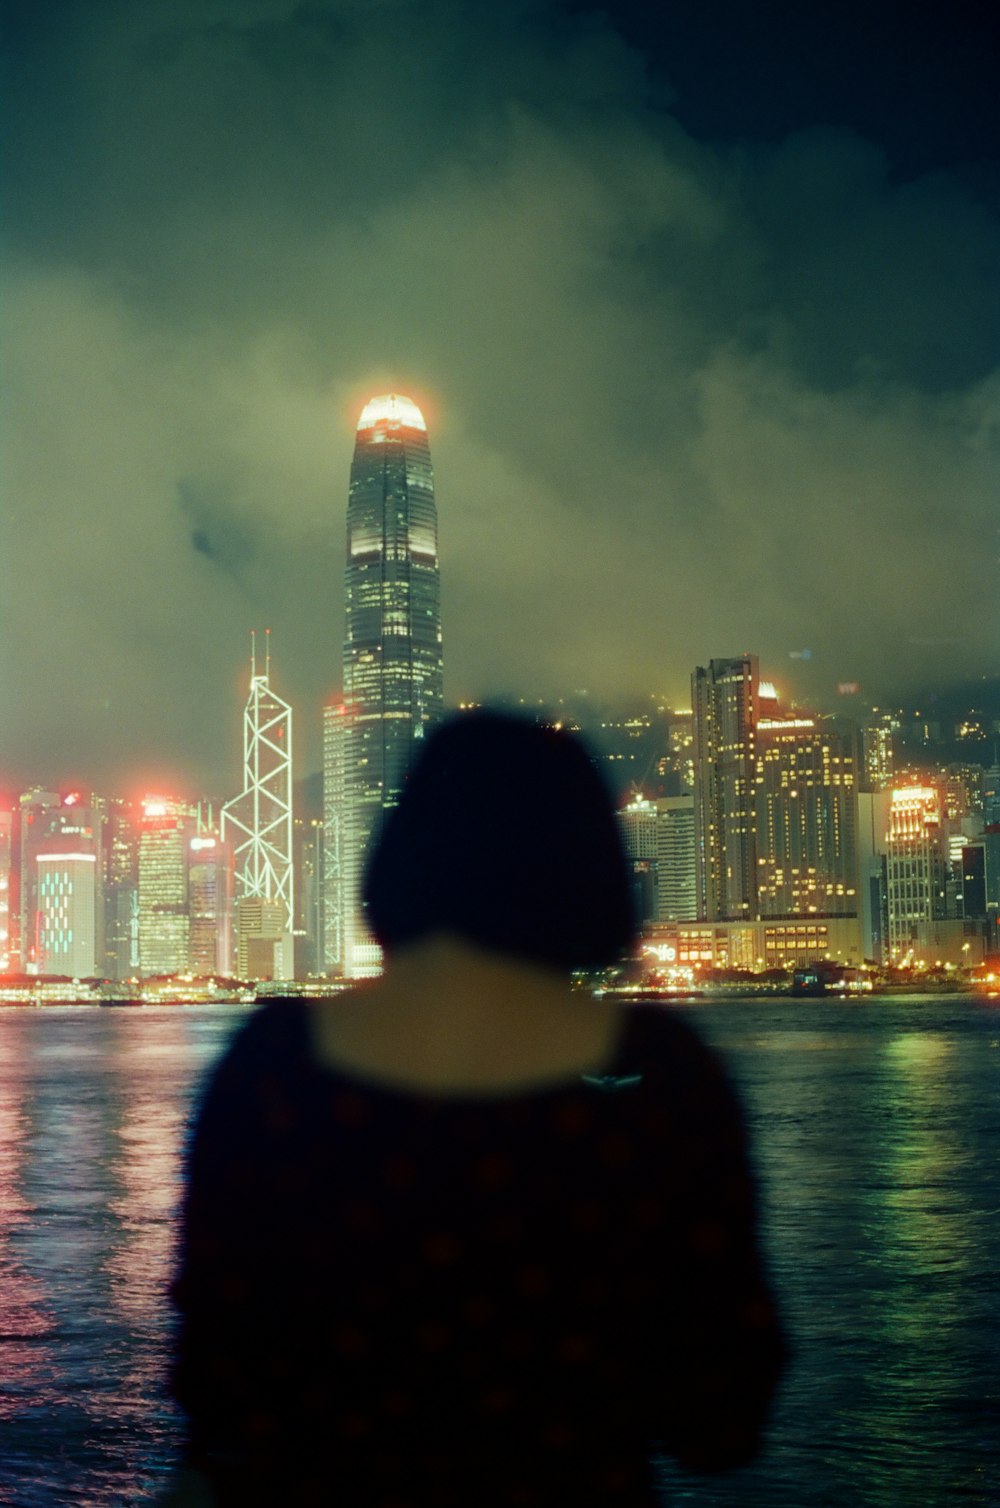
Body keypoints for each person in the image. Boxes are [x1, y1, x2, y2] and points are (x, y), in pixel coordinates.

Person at [164, 711, 786, 1507]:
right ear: (591, 866)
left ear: (401, 857)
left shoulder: (276, 1067)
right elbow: (720, 1423)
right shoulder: (660, 1076)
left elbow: (216, 1384)